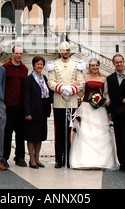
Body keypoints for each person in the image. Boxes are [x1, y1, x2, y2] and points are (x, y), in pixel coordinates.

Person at [70, 58, 119, 170]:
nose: (95, 67)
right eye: (92, 65)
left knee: (100, 133)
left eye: (96, 65)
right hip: (86, 106)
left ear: (99, 66)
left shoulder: (103, 79)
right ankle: (83, 160)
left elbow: (106, 94)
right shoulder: (85, 78)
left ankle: (102, 161)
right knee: (86, 133)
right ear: (89, 67)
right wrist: (76, 86)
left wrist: (104, 102)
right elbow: (81, 93)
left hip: (99, 109)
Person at [46, 35, 85, 168]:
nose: (65, 53)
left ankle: (69, 158)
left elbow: (81, 82)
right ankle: (59, 160)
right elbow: (51, 82)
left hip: (72, 102)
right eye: (63, 50)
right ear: (60, 51)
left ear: (70, 51)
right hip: (59, 101)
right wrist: (62, 88)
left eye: (67, 50)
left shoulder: (77, 65)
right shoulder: (54, 65)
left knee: (69, 131)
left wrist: (72, 89)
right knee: (59, 132)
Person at [23, 56, 53, 169]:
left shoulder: (44, 78)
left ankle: (37, 158)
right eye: (38, 64)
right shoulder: (28, 79)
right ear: (34, 65)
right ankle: (31, 159)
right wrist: (27, 112)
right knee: (31, 136)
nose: (40, 66)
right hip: (32, 110)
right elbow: (26, 97)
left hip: (42, 110)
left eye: (41, 64)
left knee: (39, 136)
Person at [2, 45, 28, 168]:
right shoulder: (5, 68)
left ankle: (20, 157)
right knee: (7, 133)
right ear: (12, 53)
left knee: (21, 134)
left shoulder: (25, 69)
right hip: (8, 105)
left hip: (21, 106)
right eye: (17, 53)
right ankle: (4, 157)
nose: (19, 55)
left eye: (21, 53)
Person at [106, 54, 125, 171]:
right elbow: (109, 96)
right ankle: (123, 163)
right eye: (116, 62)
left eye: (120, 62)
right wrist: (109, 112)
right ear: (113, 64)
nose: (119, 64)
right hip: (116, 112)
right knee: (119, 138)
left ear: (123, 62)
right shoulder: (110, 78)